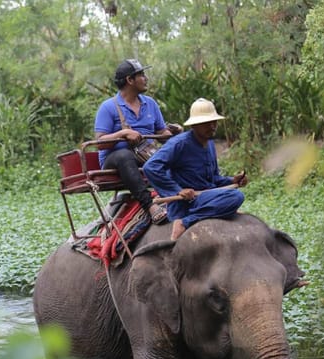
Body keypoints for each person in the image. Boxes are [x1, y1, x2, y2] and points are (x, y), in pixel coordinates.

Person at [143, 98, 249, 241]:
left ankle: (216, 208)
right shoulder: (179, 143)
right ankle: (185, 222)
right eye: (206, 123)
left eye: (214, 122)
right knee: (236, 197)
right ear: (194, 125)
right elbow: (151, 167)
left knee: (233, 193)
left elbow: (214, 179)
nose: (212, 126)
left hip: (207, 197)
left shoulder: (210, 144)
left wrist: (232, 180)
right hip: (188, 203)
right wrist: (177, 190)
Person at [94, 59, 180, 224]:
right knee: (124, 156)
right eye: (141, 75)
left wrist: (171, 132)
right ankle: (150, 206)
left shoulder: (151, 104)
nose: (145, 78)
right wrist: (123, 133)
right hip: (116, 159)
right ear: (130, 80)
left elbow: (161, 131)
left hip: (146, 154)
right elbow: (100, 142)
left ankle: (184, 194)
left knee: (178, 149)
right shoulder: (108, 107)